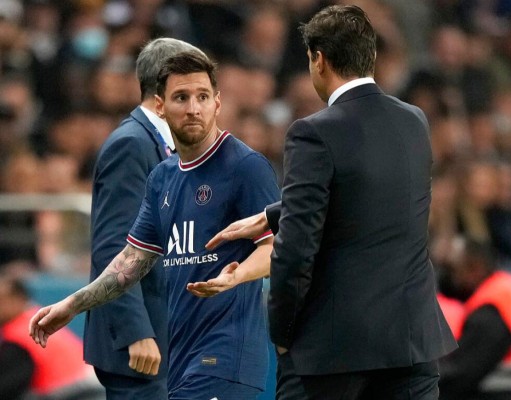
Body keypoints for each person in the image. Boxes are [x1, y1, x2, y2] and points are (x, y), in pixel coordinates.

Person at [206, 5, 457, 399]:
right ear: (370, 56)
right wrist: (274, 214)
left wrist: (283, 333)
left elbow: (296, 249)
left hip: (333, 351)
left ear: (318, 60)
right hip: (412, 342)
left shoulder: (313, 132)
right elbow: (371, 199)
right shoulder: (414, 121)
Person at [29, 52, 280, 400]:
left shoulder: (246, 167)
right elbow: (130, 261)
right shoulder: (162, 177)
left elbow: (273, 248)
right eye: (181, 97)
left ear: (218, 103)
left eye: (202, 97)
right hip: (179, 357)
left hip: (225, 356)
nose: (193, 107)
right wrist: (71, 305)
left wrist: (234, 277)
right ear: (160, 106)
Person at [84, 38, 206, 400]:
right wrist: (136, 331)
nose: (200, 104)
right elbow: (113, 246)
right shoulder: (132, 146)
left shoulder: (169, 145)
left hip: (172, 340)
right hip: (143, 346)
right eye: (190, 93)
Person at [438, 238, 511, 400]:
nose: (448, 278)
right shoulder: (505, 287)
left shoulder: (491, 312)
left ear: (475, 268)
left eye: (453, 270)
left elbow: (460, 376)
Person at [0, 274, 105, 400]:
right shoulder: (35, 320)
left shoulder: (22, 334)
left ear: (19, 299)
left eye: (2, 300)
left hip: (77, 392)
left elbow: (8, 387)